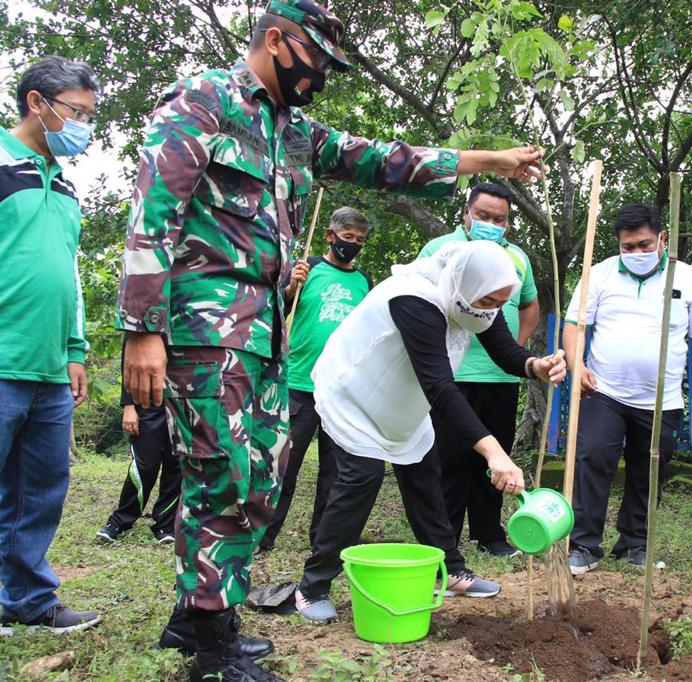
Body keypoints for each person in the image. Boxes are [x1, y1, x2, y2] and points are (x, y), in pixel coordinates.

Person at [115, 1, 545, 678]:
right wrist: (142, 328)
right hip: (203, 327)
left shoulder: (292, 130)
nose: (322, 75)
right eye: (316, 60)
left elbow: (382, 160)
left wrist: (486, 158)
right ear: (278, 41)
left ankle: (195, 615)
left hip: (263, 336)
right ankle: (210, 645)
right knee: (223, 475)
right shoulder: (208, 99)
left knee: (257, 478)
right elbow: (154, 207)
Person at [293, 241, 566, 623]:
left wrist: (534, 365)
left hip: (402, 402)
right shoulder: (414, 297)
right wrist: (493, 452)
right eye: (488, 301)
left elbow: (504, 349)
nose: (490, 310)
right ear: (466, 284)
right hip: (358, 394)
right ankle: (312, 586)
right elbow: (439, 387)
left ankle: (450, 570)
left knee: (426, 480)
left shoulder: (474, 293)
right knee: (360, 480)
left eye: (499, 304)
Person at [0, 56, 101, 637]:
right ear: (38, 103)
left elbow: (67, 272)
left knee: (38, 492)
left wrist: (75, 348)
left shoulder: (63, 184)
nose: (84, 127)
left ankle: (30, 600)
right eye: (77, 113)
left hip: (48, 368)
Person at [564, 204, 692, 575]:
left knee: (649, 470)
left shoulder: (688, 279)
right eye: (628, 246)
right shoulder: (598, 275)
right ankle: (583, 545)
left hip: (662, 398)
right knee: (592, 460)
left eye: (645, 244)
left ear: (663, 237)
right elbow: (575, 326)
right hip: (604, 391)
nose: (636, 253)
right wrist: (577, 365)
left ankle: (636, 543)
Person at [418, 182, 540, 558]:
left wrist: (515, 351)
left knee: (496, 459)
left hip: (501, 375)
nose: (490, 223)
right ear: (466, 214)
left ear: (508, 223)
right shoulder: (440, 251)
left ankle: (491, 534)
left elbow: (529, 305)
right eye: (483, 216)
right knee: (449, 459)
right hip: (450, 375)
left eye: (499, 219)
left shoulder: (517, 257)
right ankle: (446, 538)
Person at [257, 207, 373, 553]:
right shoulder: (307, 269)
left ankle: (325, 539)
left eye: (359, 241)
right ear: (330, 235)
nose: (352, 245)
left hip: (341, 390)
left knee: (334, 471)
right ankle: (263, 537)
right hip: (300, 384)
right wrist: (292, 286)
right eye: (347, 238)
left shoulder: (363, 280)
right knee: (283, 467)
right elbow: (276, 309)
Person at [96, 336, 180, 545]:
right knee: (145, 465)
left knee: (176, 465)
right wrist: (129, 406)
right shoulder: (146, 316)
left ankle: (165, 525)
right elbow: (130, 358)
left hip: (181, 401)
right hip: (146, 401)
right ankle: (120, 521)